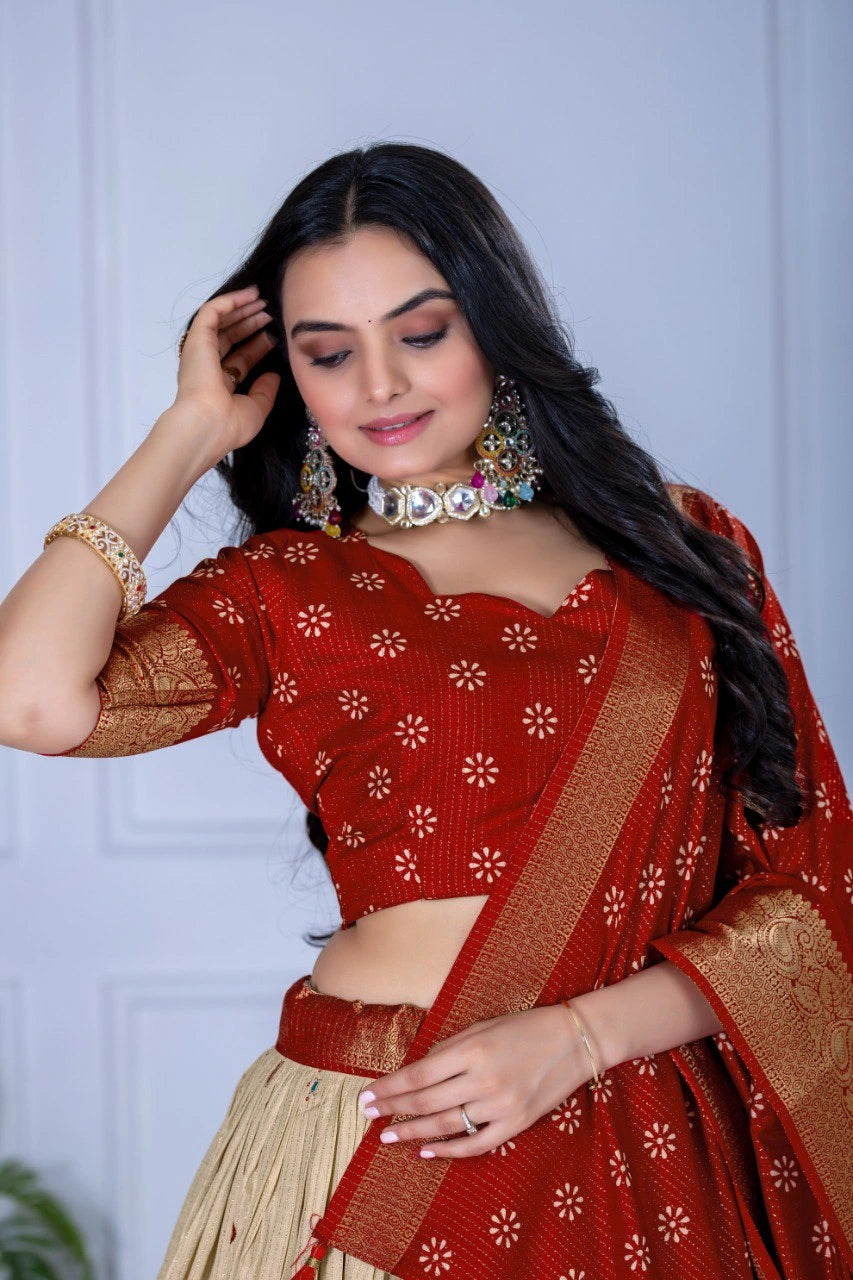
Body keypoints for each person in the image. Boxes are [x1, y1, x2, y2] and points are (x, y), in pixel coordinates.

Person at [0, 143, 850, 1280]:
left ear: (495, 324)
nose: (381, 387)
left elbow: (807, 889)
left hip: (626, 1122)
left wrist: (580, 1036)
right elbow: (34, 697)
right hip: (367, 1129)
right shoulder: (288, 586)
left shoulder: (685, 552)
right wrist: (191, 428)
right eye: (328, 353)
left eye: (420, 332)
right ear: (287, 376)